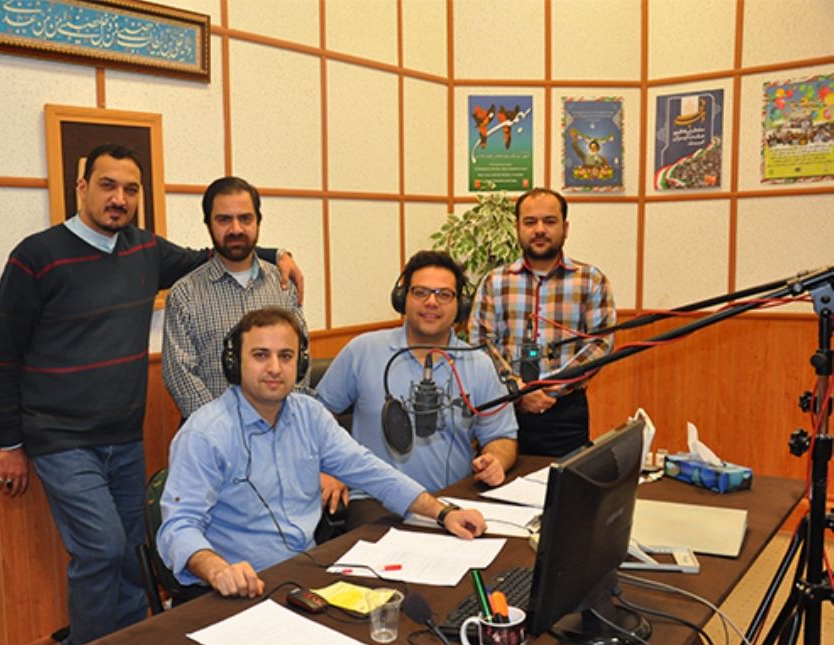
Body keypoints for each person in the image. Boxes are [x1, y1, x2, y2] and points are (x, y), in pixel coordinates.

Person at [0, 143, 302, 645]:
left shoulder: (144, 250)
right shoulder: (37, 256)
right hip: (61, 438)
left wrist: (274, 255)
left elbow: (216, 254)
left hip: (124, 436)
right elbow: (0, 354)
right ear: (82, 188)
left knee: (135, 553)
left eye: (130, 189)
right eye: (107, 185)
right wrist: (10, 442)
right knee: (102, 550)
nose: (119, 199)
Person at [156, 307, 489, 597]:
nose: (274, 368)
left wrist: (443, 513)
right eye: (260, 355)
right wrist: (217, 570)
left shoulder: (309, 415)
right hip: (237, 588)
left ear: (300, 363)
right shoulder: (205, 434)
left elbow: (371, 471)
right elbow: (179, 526)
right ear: (234, 364)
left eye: (286, 356)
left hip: (304, 577)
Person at [315, 251, 518, 527]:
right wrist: (326, 468)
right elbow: (315, 418)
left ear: (460, 305)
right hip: (377, 502)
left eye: (444, 294)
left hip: (453, 499)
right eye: (420, 292)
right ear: (402, 299)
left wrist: (496, 460)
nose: (431, 302)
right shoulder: (363, 351)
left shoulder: (478, 364)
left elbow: (501, 435)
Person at [474, 188, 616, 457]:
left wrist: (551, 387)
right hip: (505, 409)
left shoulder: (591, 280)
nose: (539, 229)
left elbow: (601, 343)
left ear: (565, 227)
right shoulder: (494, 282)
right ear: (517, 228)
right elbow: (481, 342)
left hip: (566, 412)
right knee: (498, 479)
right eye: (530, 222)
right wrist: (517, 389)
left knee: (566, 481)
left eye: (549, 221)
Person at [162, 176, 307, 420]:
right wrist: (224, 429)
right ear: (208, 224)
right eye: (224, 220)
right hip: (213, 435)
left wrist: (283, 421)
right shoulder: (185, 294)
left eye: (245, 218)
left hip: (280, 427)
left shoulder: (283, 285)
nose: (236, 229)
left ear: (258, 221)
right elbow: (180, 375)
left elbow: (301, 358)